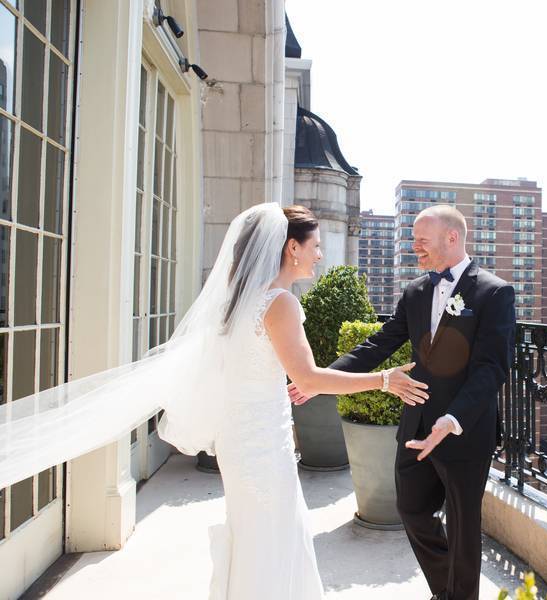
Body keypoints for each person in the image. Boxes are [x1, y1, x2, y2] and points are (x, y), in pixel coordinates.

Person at [0, 202, 429, 600]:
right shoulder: (280, 304)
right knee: (272, 537)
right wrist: (384, 380)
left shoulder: (241, 303)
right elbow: (307, 377)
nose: (319, 255)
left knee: (257, 535)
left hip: (243, 437)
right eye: (314, 246)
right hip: (262, 445)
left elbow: (255, 372)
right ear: (292, 248)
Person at [294, 204, 516, 600]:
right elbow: (380, 343)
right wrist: (322, 381)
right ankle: (447, 590)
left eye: (421, 240)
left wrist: (453, 418)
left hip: (464, 431)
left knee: (464, 528)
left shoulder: (494, 292)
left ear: (452, 237)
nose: (414, 247)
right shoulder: (416, 291)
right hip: (415, 427)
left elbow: (491, 368)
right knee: (412, 511)